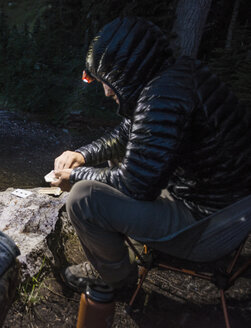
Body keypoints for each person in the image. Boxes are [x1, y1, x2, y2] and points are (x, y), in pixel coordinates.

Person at [51, 17, 251, 292]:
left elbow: (135, 185)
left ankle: (116, 279)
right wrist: (82, 155)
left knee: (83, 199)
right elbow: (126, 134)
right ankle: (122, 254)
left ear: (127, 71)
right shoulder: (174, 78)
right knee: (117, 161)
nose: (106, 91)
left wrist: (75, 175)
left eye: (106, 80)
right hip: (224, 207)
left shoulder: (164, 96)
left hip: (205, 225)